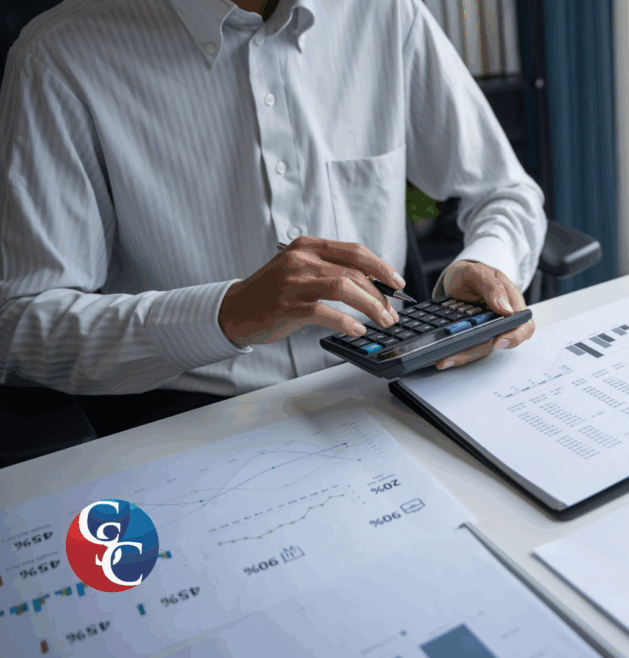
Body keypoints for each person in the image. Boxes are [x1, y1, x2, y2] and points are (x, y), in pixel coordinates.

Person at [0, 0, 543, 404]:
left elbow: (503, 191)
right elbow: (21, 326)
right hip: (189, 418)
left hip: (392, 389)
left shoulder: (383, 12)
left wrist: (486, 265)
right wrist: (226, 313)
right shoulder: (59, 57)